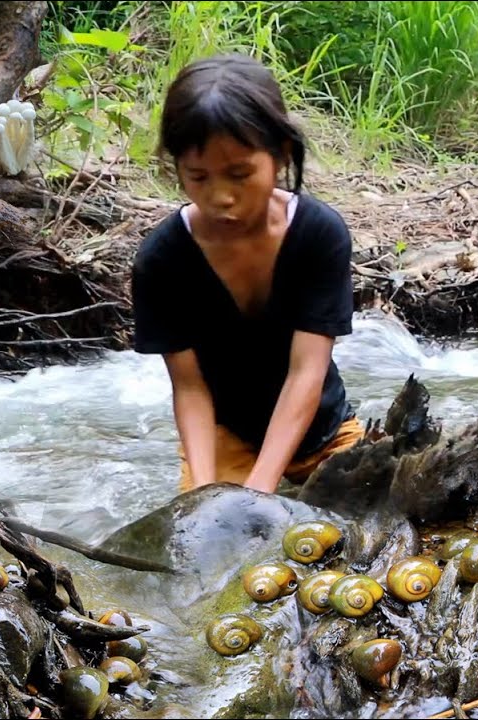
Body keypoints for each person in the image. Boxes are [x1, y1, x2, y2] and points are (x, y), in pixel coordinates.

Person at [131, 53, 364, 495]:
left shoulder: (319, 234)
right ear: (176, 168)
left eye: (240, 174)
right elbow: (191, 388)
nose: (221, 197)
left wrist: (259, 490)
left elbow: (305, 373)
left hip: (324, 434)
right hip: (228, 439)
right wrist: (203, 492)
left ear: (281, 155)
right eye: (198, 177)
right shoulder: (162, 260)